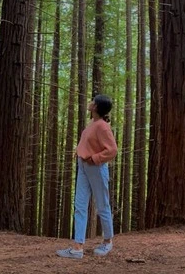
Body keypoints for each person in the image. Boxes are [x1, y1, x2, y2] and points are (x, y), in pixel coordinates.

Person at [56, 94, 118, 259]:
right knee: (80, 205)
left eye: (93, 101)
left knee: (102, 205)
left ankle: (107, 241)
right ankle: (77, 247)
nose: (90, 103)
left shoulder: (102, 126)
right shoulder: (93, 124)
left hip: (95, 168)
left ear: (96, 107)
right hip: (83, 166)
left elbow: (112, 150)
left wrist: (95, 158)